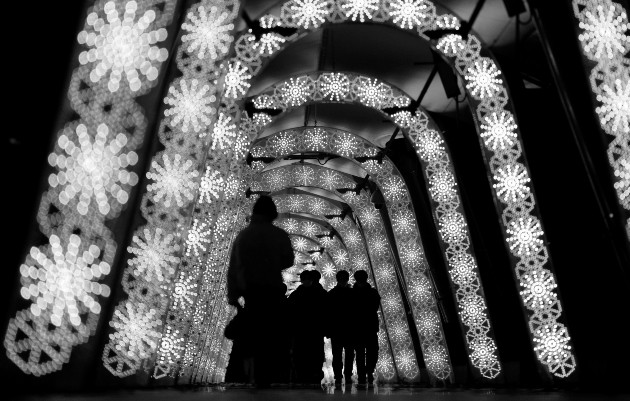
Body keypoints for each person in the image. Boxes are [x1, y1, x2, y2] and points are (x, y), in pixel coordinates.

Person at [226, 195, 294, 386]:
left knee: (250, 334)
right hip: (272, 290)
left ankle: (246, 375)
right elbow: (288, 260)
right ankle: (267, 375)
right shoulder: (279, 235)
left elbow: (234, 266)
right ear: (273, 214)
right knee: (271, 334)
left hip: (251, 292)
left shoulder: (243, 235)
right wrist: (272, 263)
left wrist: (233, 294)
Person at [289, 270, 327, 384]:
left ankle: (304, 374)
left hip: (303, 330)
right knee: (314, 353)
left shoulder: (296, 294)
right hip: (313, 330)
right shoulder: (321, 293)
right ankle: (312, 374)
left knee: (304, 353)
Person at [351, 270, 381, 386]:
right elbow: (374, 307)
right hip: (367, 326)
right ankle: (366, 373)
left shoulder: (353, 293)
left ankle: (366, 372)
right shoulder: (372, 292)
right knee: (367, 352)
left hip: (361, 327)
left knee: (366, 352)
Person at [327, 270, 354, 386]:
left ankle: (339, 376)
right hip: (348, 329)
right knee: (348, 354)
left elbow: (327, 314)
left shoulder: (332, 294)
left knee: (338, 355)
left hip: (337, 329)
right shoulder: (352, 294)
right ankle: (346, 375)